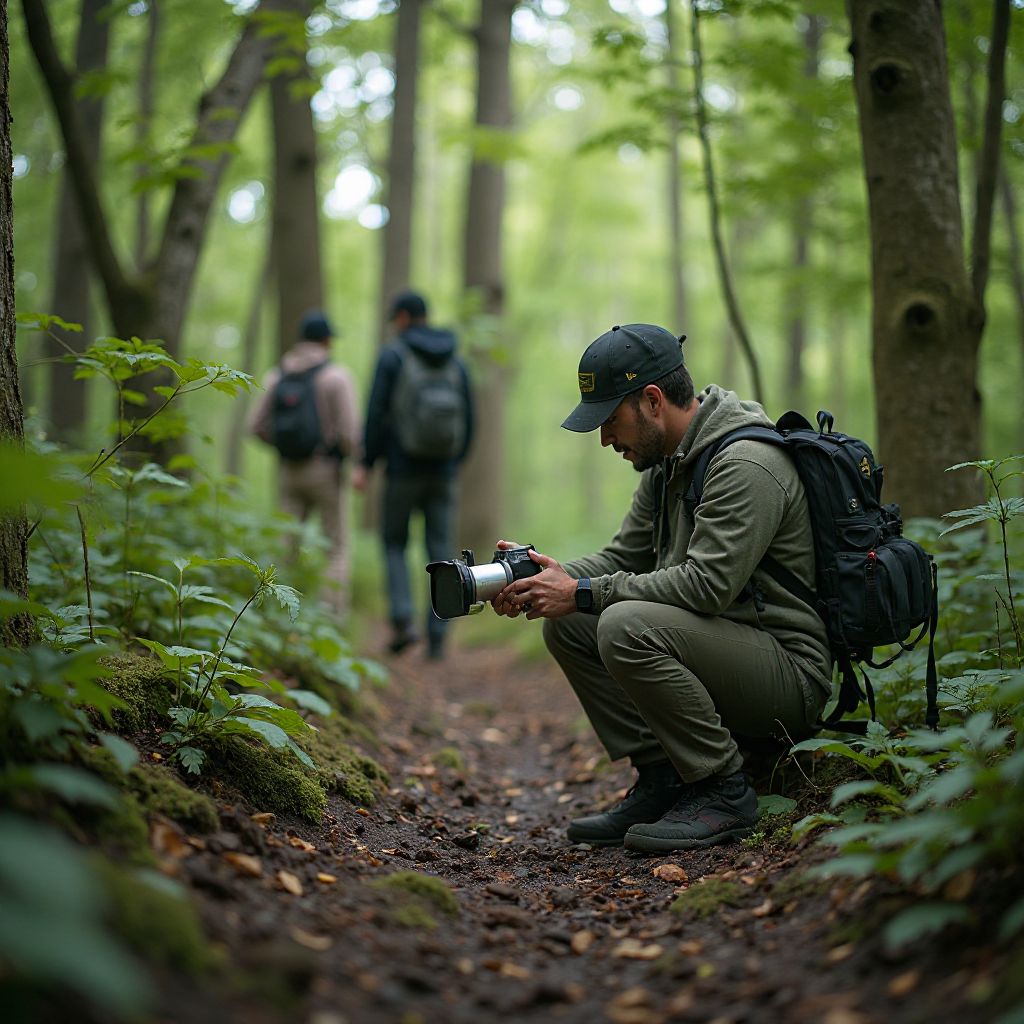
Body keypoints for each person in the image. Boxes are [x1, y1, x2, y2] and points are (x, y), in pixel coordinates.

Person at [490, 323, 832, 852]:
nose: (605, 439)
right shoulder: (667, 465)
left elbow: (706, 587)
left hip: (787, 675)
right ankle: (665, 778)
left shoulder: (746, 463)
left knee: (623, 625)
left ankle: (724, 790)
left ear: (652, 401)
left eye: (610, 420)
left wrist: (581, 591)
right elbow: (621, 558)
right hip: (719, 650)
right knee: (571, 624)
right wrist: (542, 580)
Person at [353, 291, 474, 659]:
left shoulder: (393, 355)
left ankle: (403, 621)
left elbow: (376, 412)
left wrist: (367, 462)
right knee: (441, 551)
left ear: (404, 317)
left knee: (394, 543)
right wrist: (454, 460)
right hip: (443, 471)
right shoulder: (455, 360)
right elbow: (470, 418)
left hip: (402, 469)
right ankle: (438, 635)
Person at [248, 310, 360, 617]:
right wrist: (346, 457)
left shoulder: (276, 376)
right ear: (326, 340)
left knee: (285, 547)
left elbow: (255, 426)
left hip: (288, 471)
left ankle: (277, 615)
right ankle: (329, 618)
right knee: (336, 549)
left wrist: (283, 447)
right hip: (326, 471)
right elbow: (350, 433)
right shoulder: (336, 377)